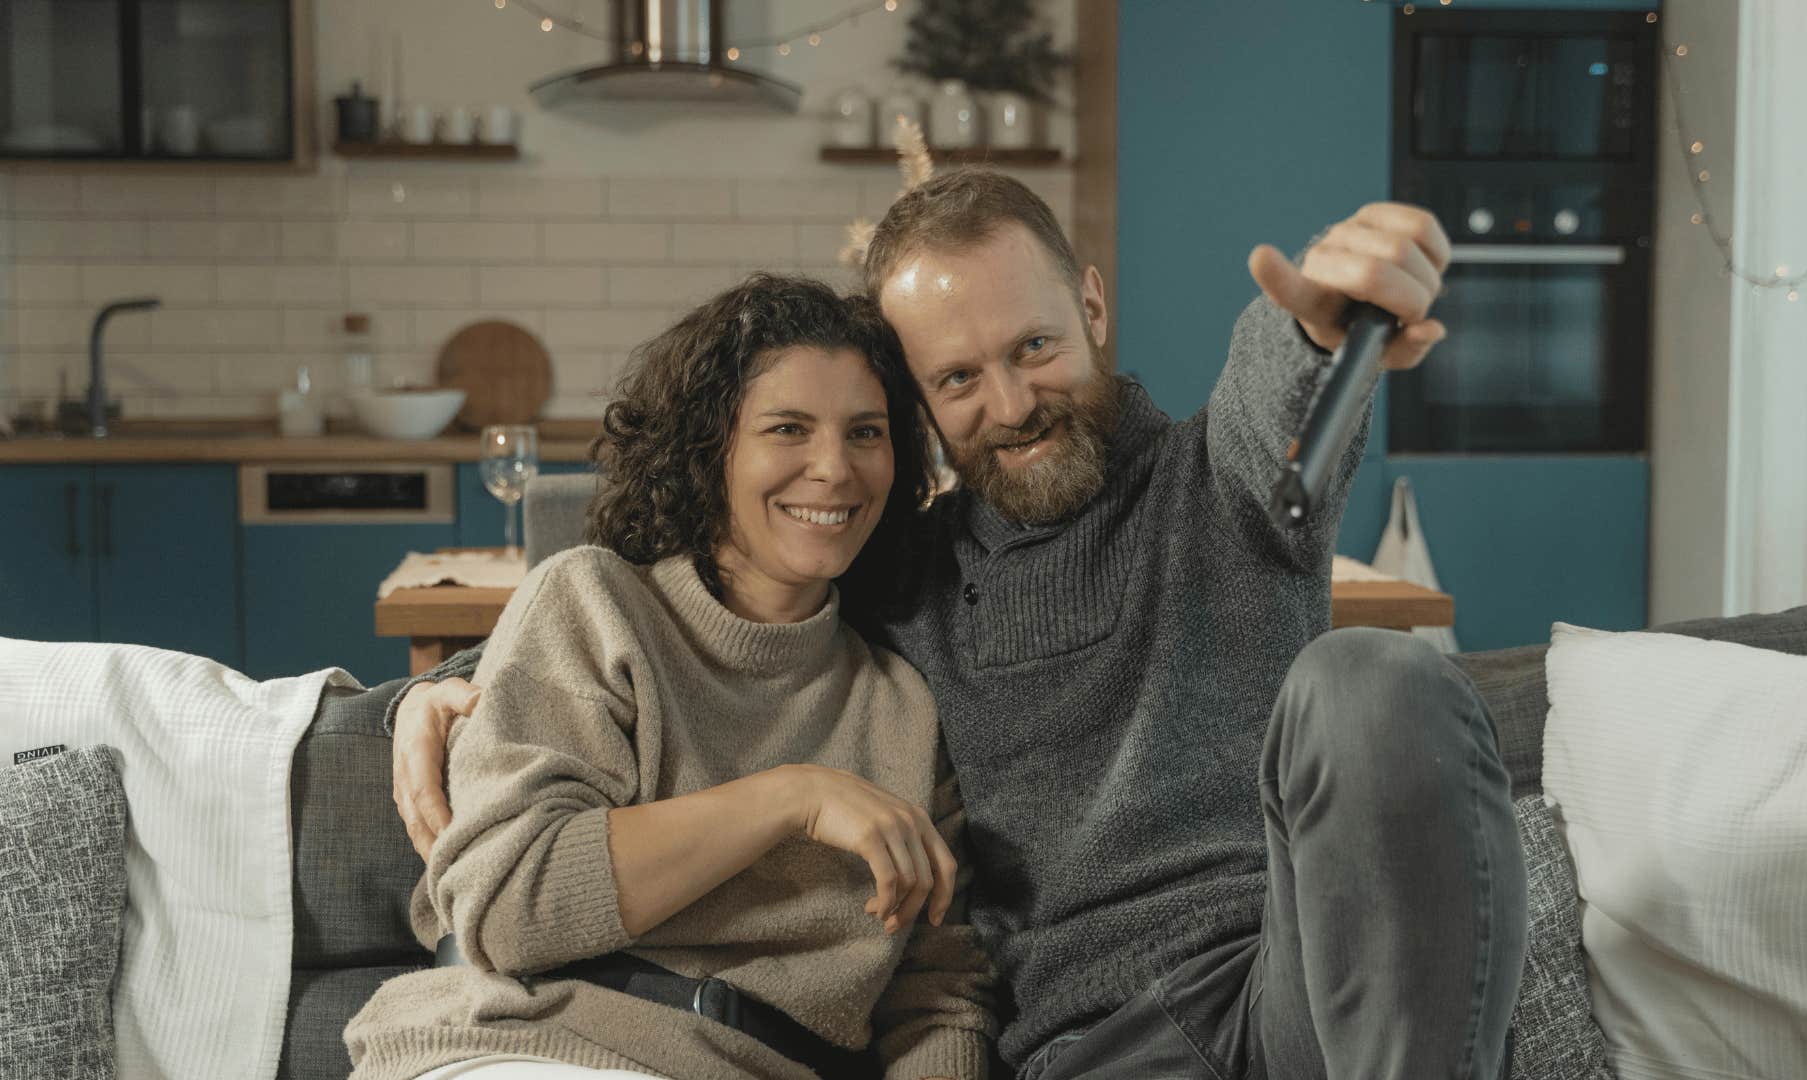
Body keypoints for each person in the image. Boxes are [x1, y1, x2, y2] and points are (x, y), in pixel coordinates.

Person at [390, 172, 1527, 1080]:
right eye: (959, 379)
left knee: (1374, 679)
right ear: (921, 405)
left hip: (1295, 997)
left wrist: (1323, 333)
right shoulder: (905, 577)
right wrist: (443, 689)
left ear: (1090, 304)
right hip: (1096, 1050)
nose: (1013, 403)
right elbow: (707, 605)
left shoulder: (1220, 487)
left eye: (1033, 348)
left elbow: (1275, 386)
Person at [346, 276, 996, 1080]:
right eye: (787, 428)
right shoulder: (593, 604)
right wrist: (790, 798)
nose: (834, 468)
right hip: (526, 1045)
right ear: (708, 450)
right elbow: (510, 906)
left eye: (866, 433)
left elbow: (937, 998)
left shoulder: (902, 707)